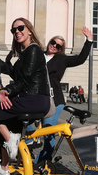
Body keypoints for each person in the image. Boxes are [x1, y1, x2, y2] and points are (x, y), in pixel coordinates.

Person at [0, 17, 50, 175]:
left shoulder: (33, 50)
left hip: (34, 99)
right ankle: (4, 169)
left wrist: (5, 91)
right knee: (7, 123)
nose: (17, 31)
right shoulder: (25, 53)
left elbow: (23, 81)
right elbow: (14, 72)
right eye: (13, 30)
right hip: (32, 99)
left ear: (29, 30)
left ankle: (10, 139)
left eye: (20, 28)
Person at [32, 28, 92, 163]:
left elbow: (80, 59)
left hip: (54, 99)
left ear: (60, 49)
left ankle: (43, 160)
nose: (54, 46)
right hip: (36, 98)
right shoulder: (38, 55)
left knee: (48, 130)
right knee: (25, 122)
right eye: (53, 42)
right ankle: (29, 145)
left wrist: (88, 41)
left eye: (58, 46)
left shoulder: (62, 59)